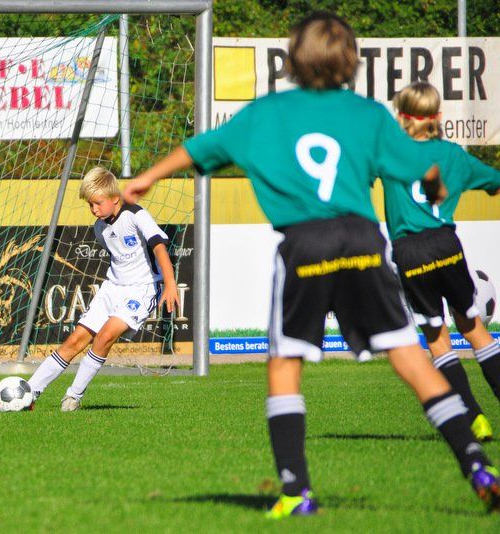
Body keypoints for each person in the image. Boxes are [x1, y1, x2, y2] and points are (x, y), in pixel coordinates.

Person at [123, 11, 500, 517]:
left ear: (293, 58)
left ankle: (296, 492)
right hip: (363, 240)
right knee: (411, 358)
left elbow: (200, 147)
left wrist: (147, 178)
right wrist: (434, 185)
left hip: (305, 244)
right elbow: (422, 166)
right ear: (351, 61)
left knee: (285, 364)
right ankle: (476, 464)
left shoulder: (267, 112)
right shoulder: (367, 114)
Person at [381, 81, 500, 442]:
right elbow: (494, 182)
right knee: (475, 329)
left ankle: (475, 418)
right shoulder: (454, 156)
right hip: (446, 245)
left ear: (402, 116)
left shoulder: (390, 154)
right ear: (438, 115)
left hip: (409, 252)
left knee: (437, 339)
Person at [27, 167, 179, 411]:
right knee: (74, 340)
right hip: (111, 288)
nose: (94, 209)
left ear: (115, 198)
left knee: (105, 336)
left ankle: (73, 396)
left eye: (98, 203)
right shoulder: (99, 228)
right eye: (90, 204)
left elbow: (159, 246)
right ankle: (28, 393)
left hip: (141, 290)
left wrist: (170, 283)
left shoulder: (136, 215)